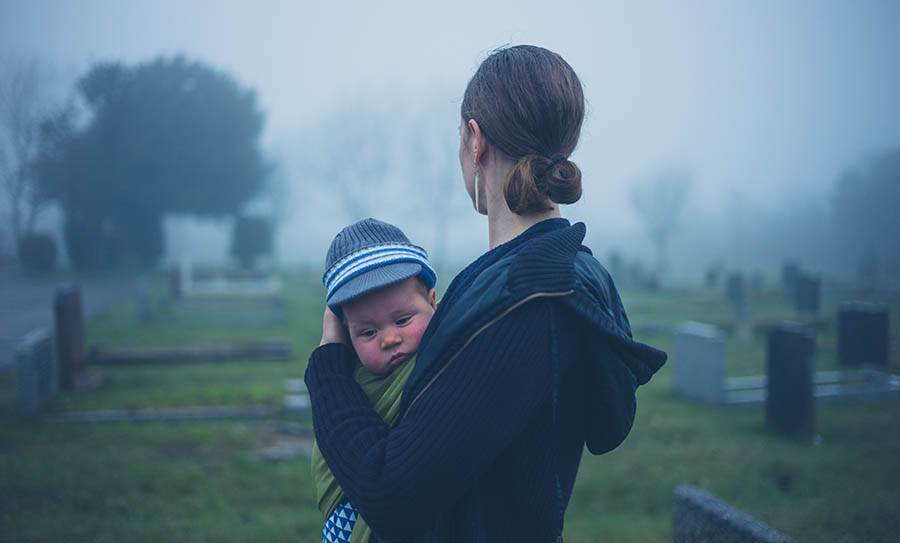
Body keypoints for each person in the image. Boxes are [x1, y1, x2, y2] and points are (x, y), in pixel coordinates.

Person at [306, 44, 668, 542]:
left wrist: (329, 366)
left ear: (474, 140)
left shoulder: (525, 300)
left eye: (462, 138)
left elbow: (392, 496)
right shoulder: (558, 273)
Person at [311, 218, 438, 543]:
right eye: (368, 332)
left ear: (433, 302)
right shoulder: (346, 386)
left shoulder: (445, 366)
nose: (389, 339)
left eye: (403, 319)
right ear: (344, 335)